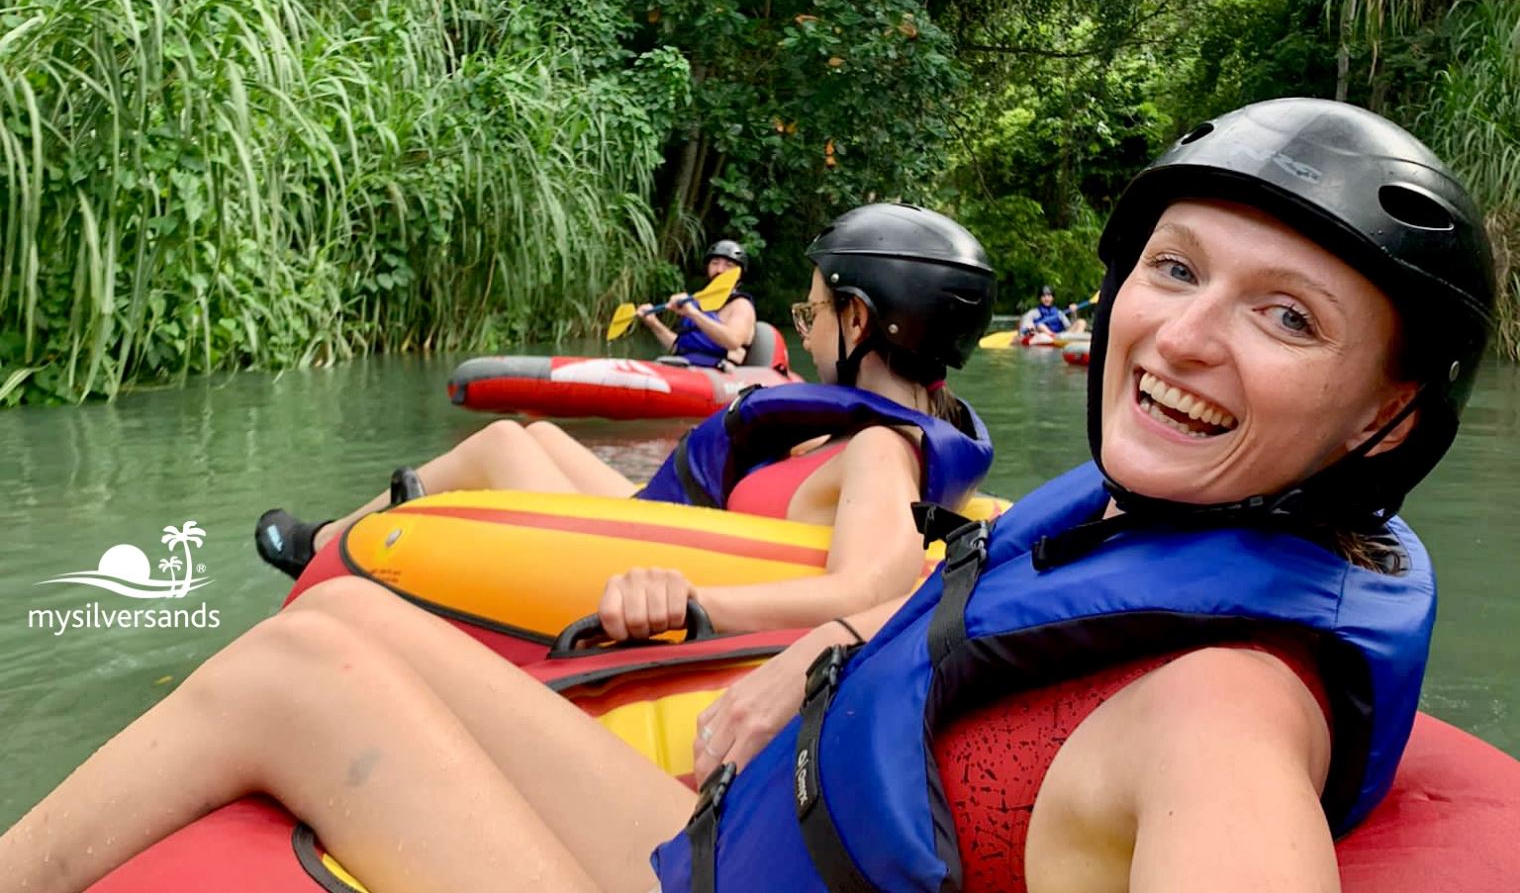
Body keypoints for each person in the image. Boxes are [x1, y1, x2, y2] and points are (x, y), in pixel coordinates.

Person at [5, 100, 1495, 893]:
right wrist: (821, 651)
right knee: (325, 647)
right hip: (737, 842)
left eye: (1287, 317)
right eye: (1173, 272)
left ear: (1391, 413)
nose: (1181, 334)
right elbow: (939, 615)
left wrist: (719, 600)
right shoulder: (1135, 526)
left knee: (287, 678)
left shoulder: (1231, 710)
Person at [254, 205, 997, 644]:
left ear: (861, 319)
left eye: (813, 313)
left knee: (505, 444)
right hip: (671, 521)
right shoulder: (866, 429)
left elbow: (866, 592)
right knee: (539, 434)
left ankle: (325, 549)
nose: (802, 333)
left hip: (669, 562)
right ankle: (328, 540)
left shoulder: (879, 451)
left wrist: (696, 606)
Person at [637, 239, 758, 368]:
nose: (720, 270)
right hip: (687, 365)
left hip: (723, 372)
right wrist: (654, 324)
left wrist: (694, 314)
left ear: (739, 274)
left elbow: (733, 342)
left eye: (728, 265)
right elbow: (679, 348)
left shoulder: (741, 305)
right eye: (714, 263)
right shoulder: (698, 303)